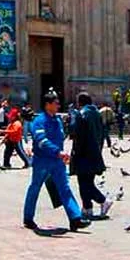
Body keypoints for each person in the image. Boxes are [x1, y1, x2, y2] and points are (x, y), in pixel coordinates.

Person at [22, 90, 87, 232]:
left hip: (57, 161)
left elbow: (60, 139)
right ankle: (28, 217)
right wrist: (58, 152)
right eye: (56, 103)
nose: (59, 105)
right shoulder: (39, 121)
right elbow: (41, 141)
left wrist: (63, 154)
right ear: (47, 105)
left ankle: (75, 218)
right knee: (35, 187)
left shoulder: (57, 120)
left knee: (65, 188)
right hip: (43, 161)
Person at [69, 91, 113, 220]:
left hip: (84, 154)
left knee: (84, 183)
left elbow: (76, 135)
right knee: (87, 181)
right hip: (95, 152)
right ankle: (87, 208)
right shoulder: (97, 114)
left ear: (79, 103)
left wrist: (75, 153)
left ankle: (103, 201)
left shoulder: (81, 115)